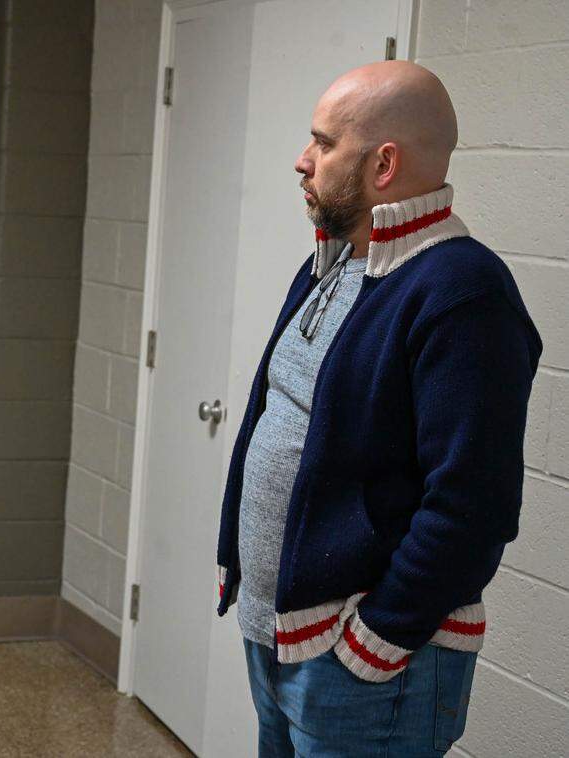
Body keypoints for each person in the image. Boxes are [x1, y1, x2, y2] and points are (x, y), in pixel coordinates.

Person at [213, 62, 542, 756]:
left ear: (384, 163)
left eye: (324, 143)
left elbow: (473, 506)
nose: (303, 162)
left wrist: (375, 640)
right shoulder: (335, 263)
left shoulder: (461, 290)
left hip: (366, 668)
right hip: (280, 638)